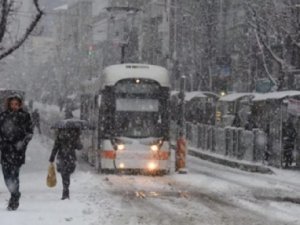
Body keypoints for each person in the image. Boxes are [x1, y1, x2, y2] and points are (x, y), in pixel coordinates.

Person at [0, 94, 33, 210]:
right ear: (8, 104)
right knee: (6, 176)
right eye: (12, 104)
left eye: (16, 104)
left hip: (17, 152)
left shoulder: (25, 116)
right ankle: (15, 193)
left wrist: (22, 144)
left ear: (20, 105)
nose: (14, 106)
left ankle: (14, 200)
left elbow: (30, 133)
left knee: (14, 176)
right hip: (5, 151)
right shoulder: (3, 116)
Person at [49, 129, 82, 200]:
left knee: (64, 175)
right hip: (71, 158)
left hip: (62, 157)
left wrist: (52, 157)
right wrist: (77, 139)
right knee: (67, 174)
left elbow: (55, 147)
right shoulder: (75, 135)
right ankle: (66, 190)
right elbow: (79, 147)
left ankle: (65, 191)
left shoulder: (60, 135)